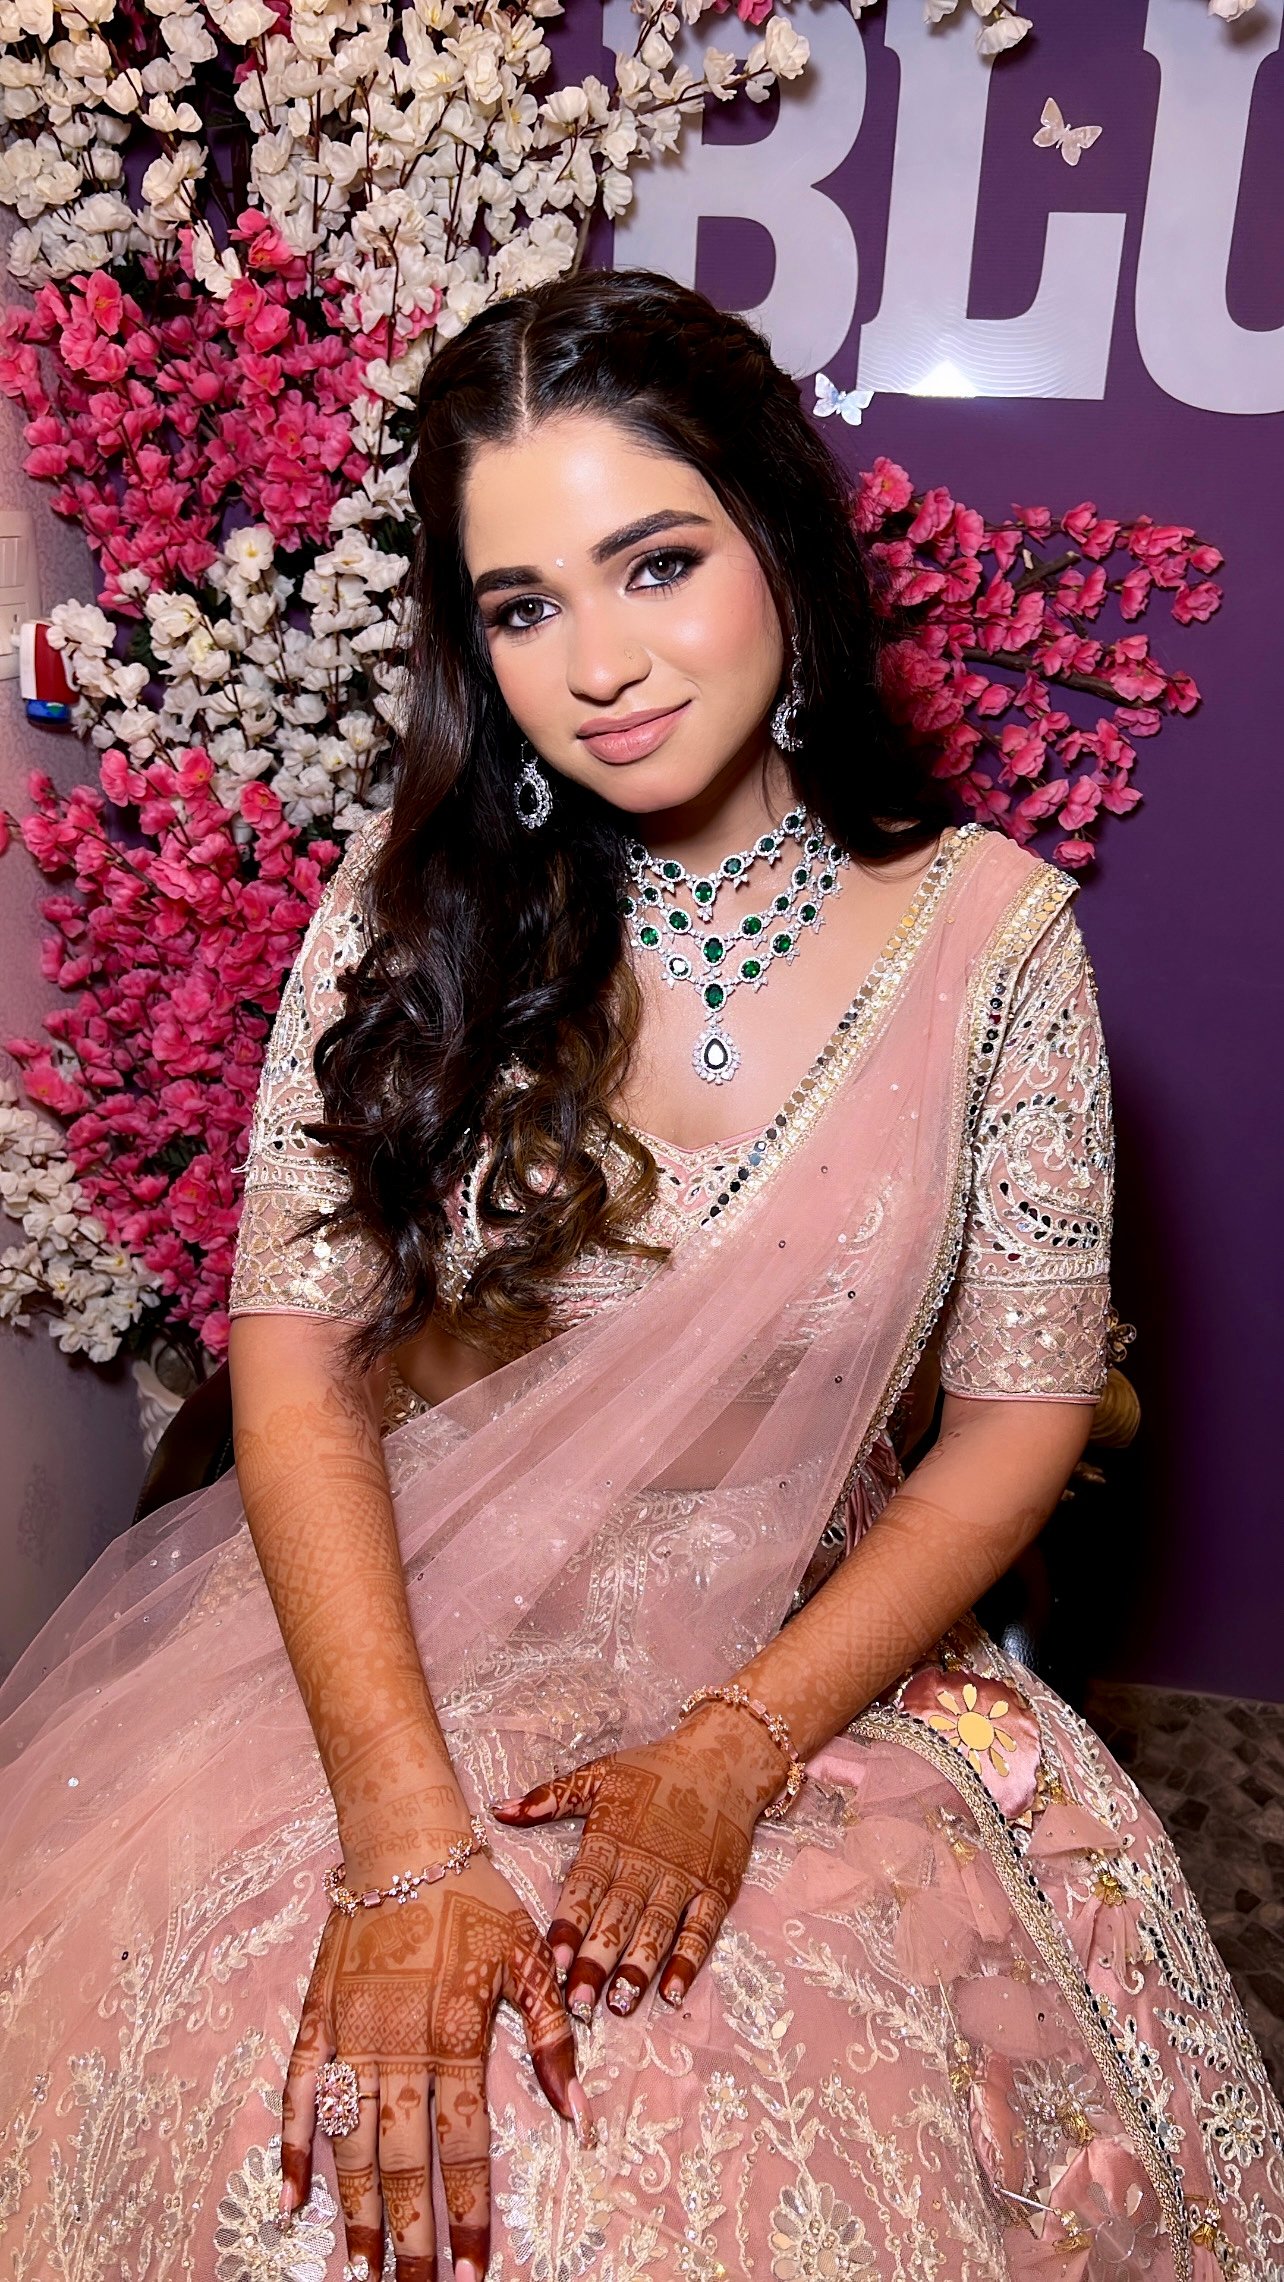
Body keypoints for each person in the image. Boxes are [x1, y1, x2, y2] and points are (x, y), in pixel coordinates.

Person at [1, 267, 1280, 2282]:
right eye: (522, 606)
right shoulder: (414, 914)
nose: (598, 664)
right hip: (410, 1628)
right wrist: (401, 1835)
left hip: (808, 1664)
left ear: (777, 536)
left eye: (656, 563)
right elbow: (297, 1357)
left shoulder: (993, 947)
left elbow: (1017, 1423)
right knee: (319, 2127)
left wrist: (734, 1748)